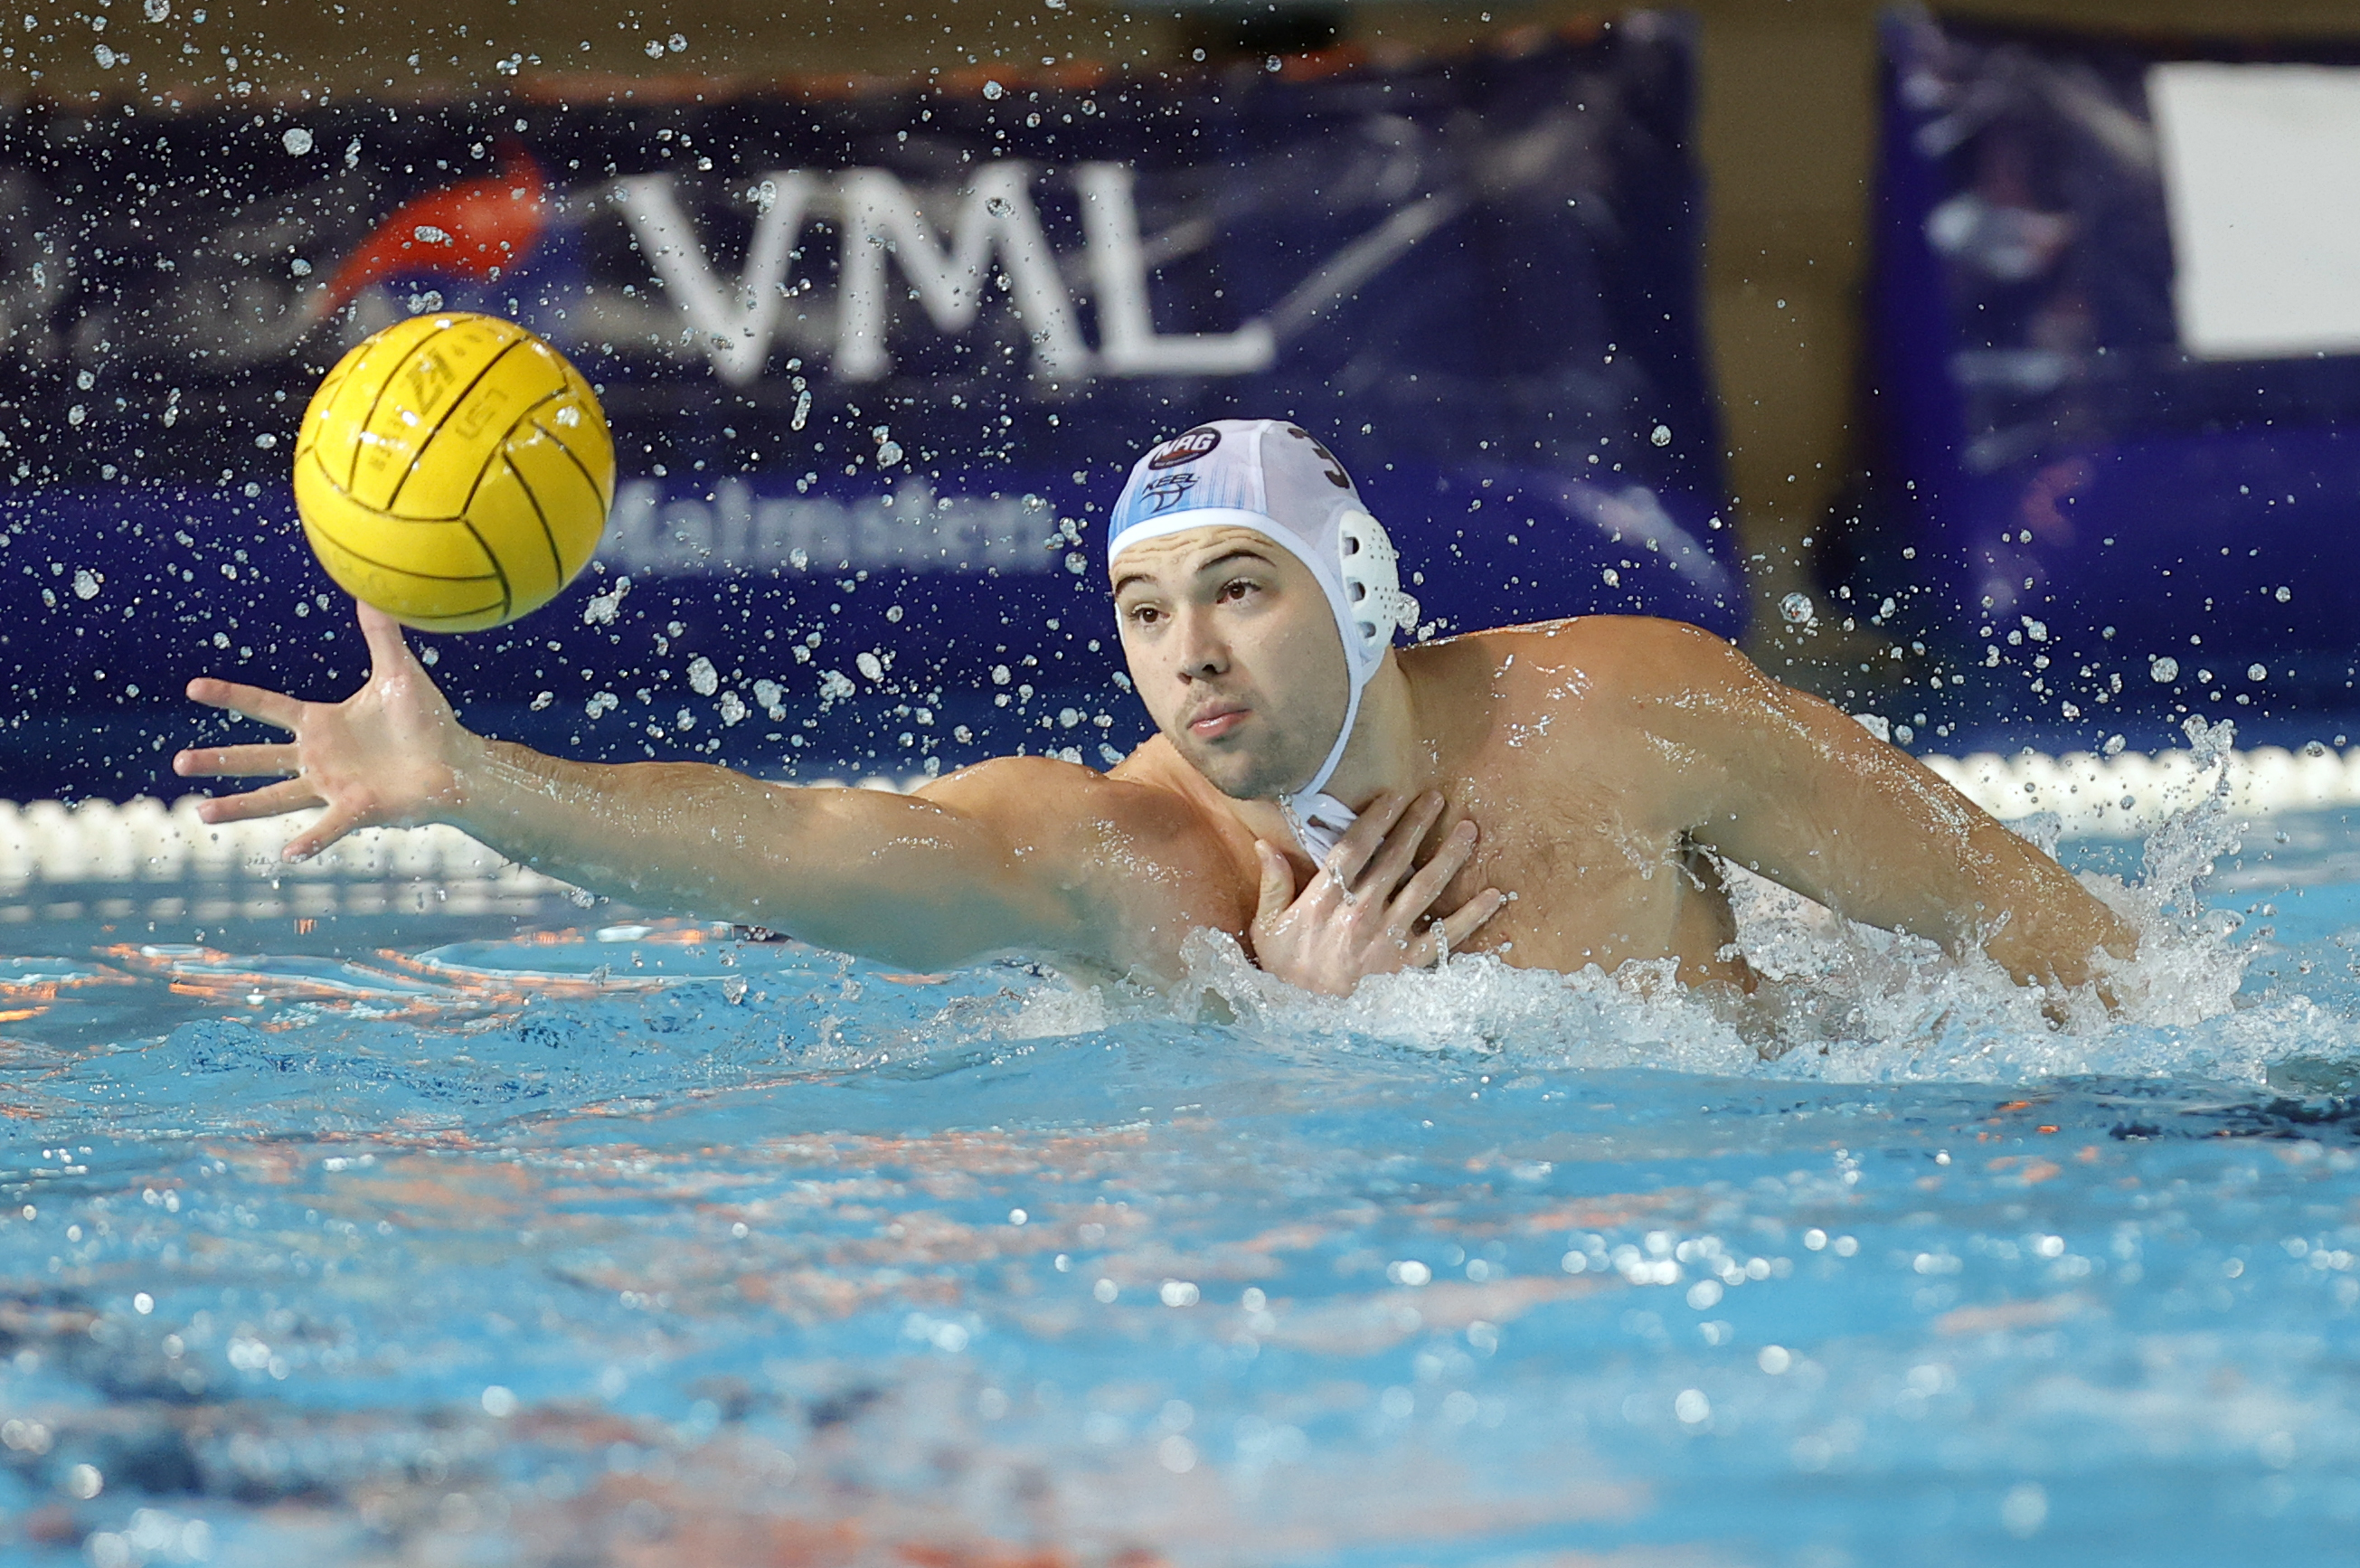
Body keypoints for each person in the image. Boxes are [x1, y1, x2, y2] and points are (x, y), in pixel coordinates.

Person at [175, 418, 2133, 1001]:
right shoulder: (1147, 861)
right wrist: (469, 783)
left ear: (1359, 594)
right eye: (1140, 611)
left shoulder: (1621, 711)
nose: (1186, 653)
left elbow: (2042, 935)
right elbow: (812, 842)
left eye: (1237, 591)